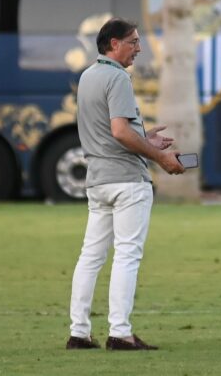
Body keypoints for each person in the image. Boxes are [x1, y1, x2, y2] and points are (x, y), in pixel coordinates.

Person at [66, 18, 185, 351]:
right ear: (113, 44)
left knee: (90, 256)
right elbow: (119, 131)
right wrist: (159, 157)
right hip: (126, 181)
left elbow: (110, 133)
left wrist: (146, 139)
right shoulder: (117, 77)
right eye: (133, 42)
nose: (139, 48)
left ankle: (79, 332)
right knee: (127, 256)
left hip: (97, 181)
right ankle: (120, 332)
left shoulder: (88, 76)